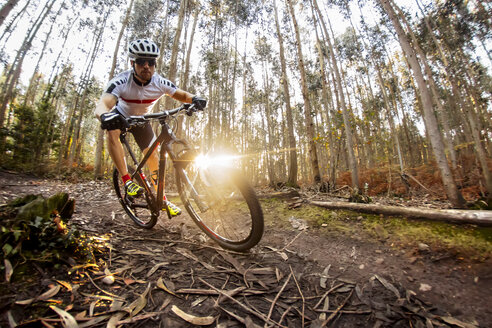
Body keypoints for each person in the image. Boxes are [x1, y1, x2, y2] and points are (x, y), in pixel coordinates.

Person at [94, 38, 206, 216]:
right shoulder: (121, 81)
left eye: (151, 62)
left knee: (153, 155)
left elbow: (182, 95)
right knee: (112, 131)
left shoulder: (160, 82)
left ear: (155, 64)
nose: (146, 66)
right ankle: (126, 179)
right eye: (141, 61)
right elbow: (104, 103)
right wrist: (105, 115)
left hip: (142, 120)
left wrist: (195, 99)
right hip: (121, 117)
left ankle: (162, 198)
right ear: (133, 63)